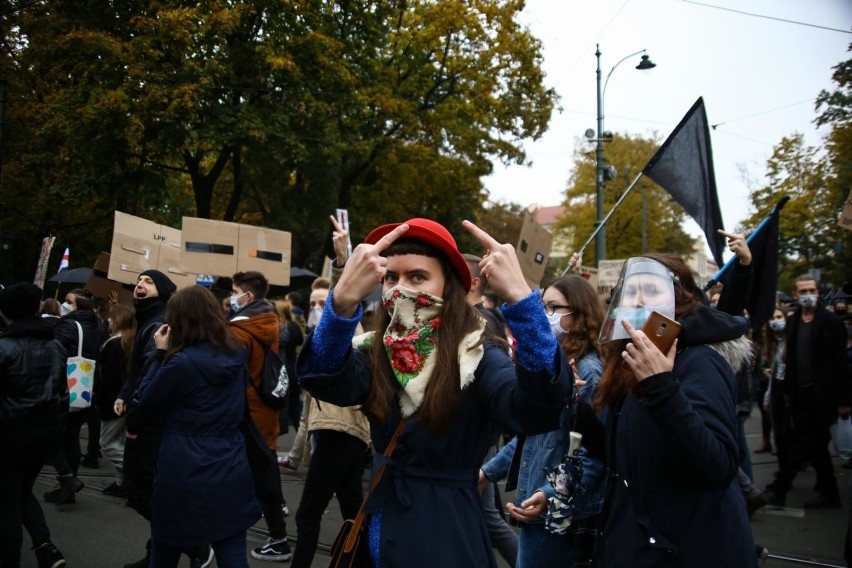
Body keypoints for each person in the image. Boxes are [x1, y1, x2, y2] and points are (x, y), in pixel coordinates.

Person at [297, 217, 573, 567]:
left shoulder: (477, 355)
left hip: (444, 536)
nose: (401, 289)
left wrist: (521, 301)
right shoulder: (376, 350)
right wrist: (341, 304)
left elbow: (538, 408)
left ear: (449, 286)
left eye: (418, 277)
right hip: (381, 528)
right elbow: (321, 375)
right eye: (391, 278)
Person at [574, 254, 756, 566]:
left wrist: (661, 385)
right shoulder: (627, 363)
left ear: (681, 300)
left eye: (653, 290)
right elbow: (622, 454)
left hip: (688, 548)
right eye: (630, 292)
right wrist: (576, 408)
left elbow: (717, 467)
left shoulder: (700, 361)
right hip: (639, 543)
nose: (640, 299)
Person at [482, 274, 608, 567]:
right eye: (543, 307)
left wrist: (550, 495)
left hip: (561, 514)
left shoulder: (589, 370)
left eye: (555, 308)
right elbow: (532, 433)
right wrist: (488, 472)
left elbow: (593, 453)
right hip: (541, 506)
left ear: (579, 314)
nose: (546, 316)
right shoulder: (554, 366)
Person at [134, 285, 260, 567]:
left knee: (165, 549)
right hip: (231, 462)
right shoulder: (237, 353)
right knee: (232, 550)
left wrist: (157, 355)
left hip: (184, 467)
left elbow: (142, 406)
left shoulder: (181, 363)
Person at [114, 270, 211, 568]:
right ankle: (158, 553)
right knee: (151, 491)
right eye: (139, 280)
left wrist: (136, 416)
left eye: (149, 282)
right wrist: (124, 393)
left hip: (152, 420)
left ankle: (195, 542)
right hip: (149, 414)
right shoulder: (145, 318)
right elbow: (135, 367)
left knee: (141, 491)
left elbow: (153, 371)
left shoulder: (159, 323)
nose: (140, 285)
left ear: (165, 292)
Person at [765, 274, 850, 508]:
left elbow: (841, 364)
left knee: (801, 442)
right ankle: (829, 492)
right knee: (814, 445)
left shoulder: (831, 322)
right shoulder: (793, 323)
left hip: (823, 396)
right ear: (795, 294)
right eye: (802, 292)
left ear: (818, 292)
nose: (807, 295)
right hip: (799, 395)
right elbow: (790, 359)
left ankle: (779, 489)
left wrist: (844, 400)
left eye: (811, 290)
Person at [0, 283, 68, 568]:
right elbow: (61, 392)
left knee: (5, 504)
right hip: (45, 434)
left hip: (10, 436)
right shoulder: (56, 345)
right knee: (22, 492)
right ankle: (46, 548)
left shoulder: (5, 347)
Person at [228, 270, 292, 562]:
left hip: (246, 410)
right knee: (265, 467)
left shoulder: (240, 330)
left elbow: (230, 374)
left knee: (256, 473)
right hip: (268, 407)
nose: (232, 296)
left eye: (234, 290)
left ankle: (278, 537)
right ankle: (276, 517)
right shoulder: (270, 322)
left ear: (247, 296)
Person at [463, 253, 518, 567]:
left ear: (471, 283)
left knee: (488, 517)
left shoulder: (478, 321)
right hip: (486, 433)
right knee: (486, 513)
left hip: (480, 434)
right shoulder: (488, 315)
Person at [44, 287, 106, 505]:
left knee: (56, 436)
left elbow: (54, 352)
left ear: (78, 305)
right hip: (85, 386)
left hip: (65, 386)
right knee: (71, 436)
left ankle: (67, 480)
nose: (65, 304)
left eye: (69, 301)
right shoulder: (98, 324)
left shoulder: (69, 324)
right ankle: (67, 486)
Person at [92, 303, 136, 498]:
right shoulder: (131, 342)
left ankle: (133, 475)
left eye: (111, 318)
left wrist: (99, 398)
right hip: (126, 399)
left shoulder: (113, 344)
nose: (108, 321)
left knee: (107, 442)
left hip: (114, 400)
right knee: (119, 441)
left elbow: (108, 377)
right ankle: (122, 482)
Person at [272, 299, 304, 435]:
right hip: (293, 365)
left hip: (281, 366)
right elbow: (300, 341)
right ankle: (299, 429)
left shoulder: (279, 327)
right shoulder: (294, 326)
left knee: (281, 399)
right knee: (294, 400)